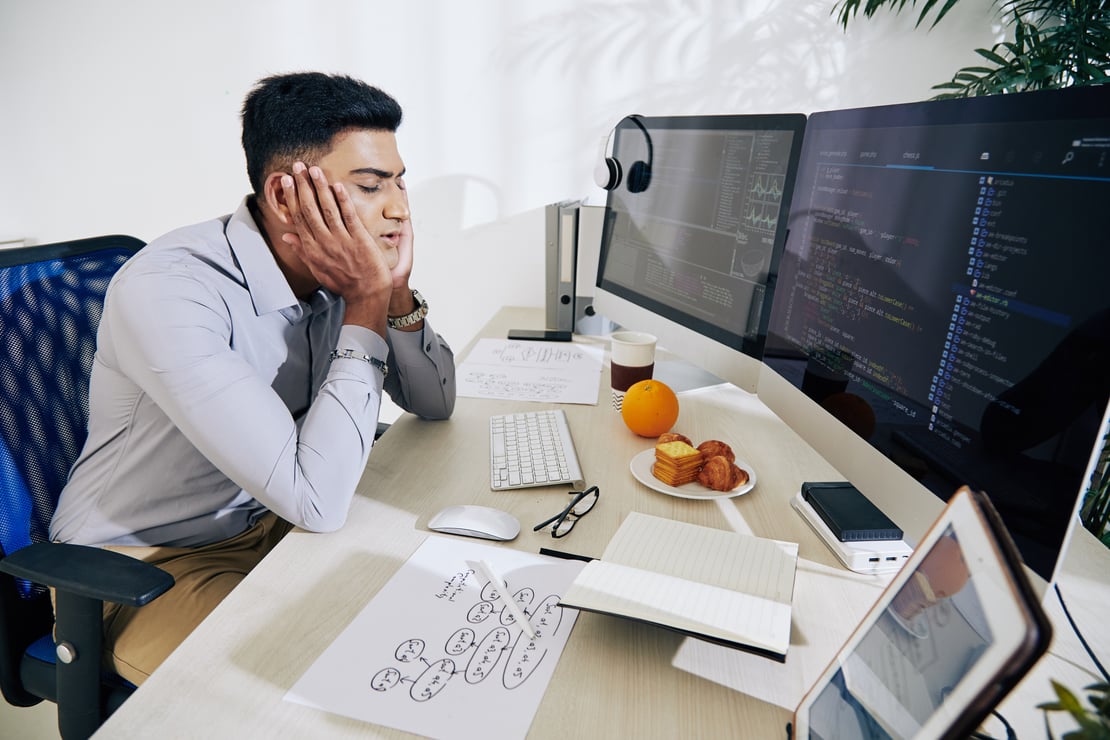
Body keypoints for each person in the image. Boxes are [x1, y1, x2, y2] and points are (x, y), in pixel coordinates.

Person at [49, 72, 456, 685]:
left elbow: (435, 401)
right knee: (327, 683)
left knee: (435, 613)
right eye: (371, 186)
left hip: (274, 525)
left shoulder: (338, 274)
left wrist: (394, 291)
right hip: (143, 567)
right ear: (286, 195)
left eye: (400, 182)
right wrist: (367, 300)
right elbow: (316, 502)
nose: (399, 207)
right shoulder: (171, 290)